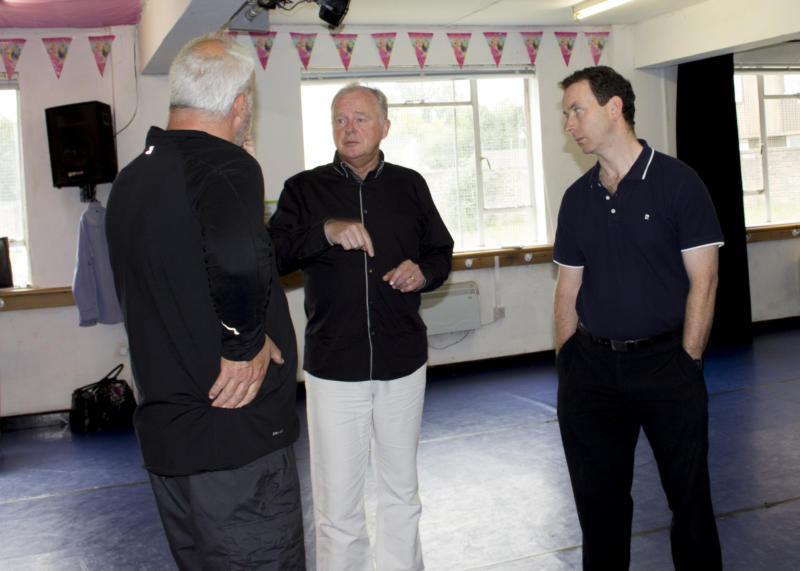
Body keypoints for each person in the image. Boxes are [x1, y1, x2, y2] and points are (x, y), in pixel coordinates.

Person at [106, 33, 304, 569]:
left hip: (170, 437)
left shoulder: (132, 178)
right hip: (234, 440)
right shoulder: (225, 167)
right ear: (240, 106)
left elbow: (182, 272)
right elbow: (238, 261)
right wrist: (243, 344)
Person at [268, 83, 454, 571]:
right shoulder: (303, 189)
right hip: (334, 365)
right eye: (340, 119)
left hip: (402, 360)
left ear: (385, 127)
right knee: (337, 504)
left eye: (360, 118)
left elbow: (441, 251)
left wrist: (423, 272)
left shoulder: (410, 185)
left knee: (401, 491)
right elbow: (273, 255)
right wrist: (325, 232)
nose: (348, 129)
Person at [552, 66, 724, 570]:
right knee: (598, 508)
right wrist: (569, 365)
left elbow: (705, 280)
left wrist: (688, 361)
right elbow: (568, 287)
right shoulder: (577, 198)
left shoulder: (678, 182)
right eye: (566, 114)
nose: (569, 124)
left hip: (667, 366)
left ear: (614, 108)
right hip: (592, 373)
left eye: (576, 110)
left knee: (689, 502)